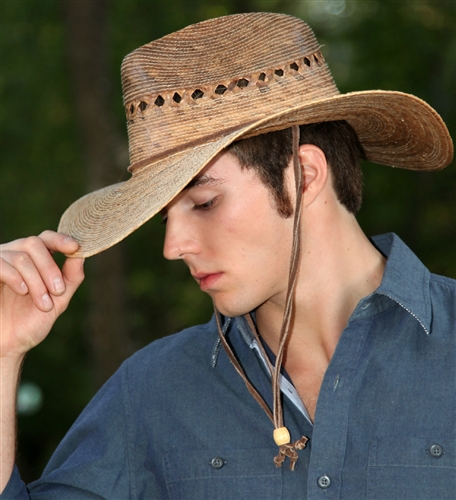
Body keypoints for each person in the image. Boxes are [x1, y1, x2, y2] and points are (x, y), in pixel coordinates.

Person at [1, 12, 455, 500]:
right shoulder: (153, 391)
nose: (172, 247)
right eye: (164, 217)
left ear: (303, 176)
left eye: (203, 203)